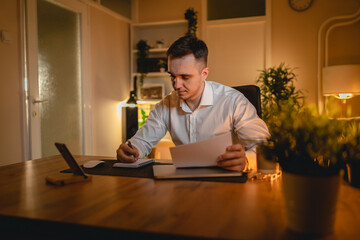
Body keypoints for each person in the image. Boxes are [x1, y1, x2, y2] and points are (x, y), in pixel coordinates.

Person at [116, 35, 269, 172]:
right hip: (183, 184)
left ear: (204, 74)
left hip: (227, 182)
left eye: (185, 77)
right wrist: (131, 149)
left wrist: (246, 161)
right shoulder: (166, 105)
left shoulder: (234, 101)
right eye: (172, 76)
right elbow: (142, 142)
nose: (176, 85)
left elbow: (266, 149)